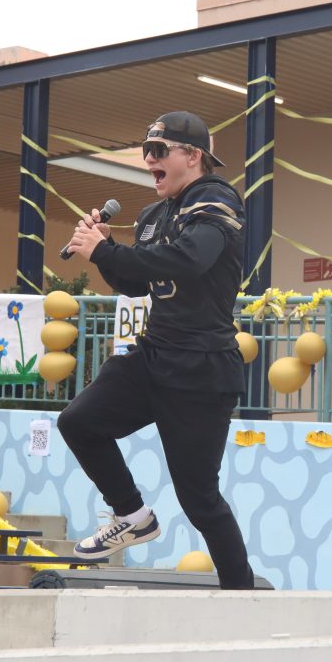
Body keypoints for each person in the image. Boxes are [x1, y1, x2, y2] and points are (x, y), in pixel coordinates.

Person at [57, 110, 255, 589]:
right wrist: (104, 246)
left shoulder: (215, 199)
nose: (149, 160)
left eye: (159, 151)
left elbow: (190, 260)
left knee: (200, 500)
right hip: (153, 354)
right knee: (77, 422)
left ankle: (243, 597)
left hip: (201, 370)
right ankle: (132, 514)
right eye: (146, 152)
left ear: (194, 155)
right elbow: (132, 282)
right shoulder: (152, 215)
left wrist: (104, 251)